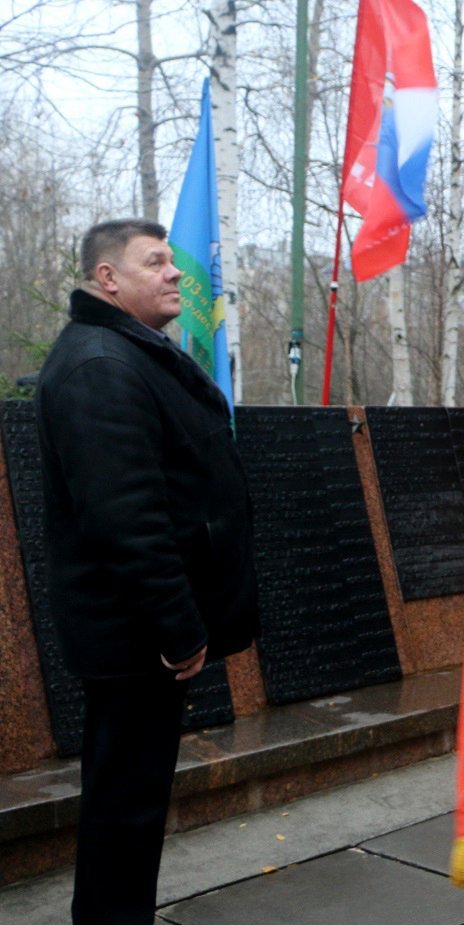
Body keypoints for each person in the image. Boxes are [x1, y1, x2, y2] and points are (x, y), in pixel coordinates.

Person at [34, 218, 260, 925]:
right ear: (108, 279)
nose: (175, 273)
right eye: (155, 261)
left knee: (131, 802)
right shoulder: (100, 365)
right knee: (124, 807)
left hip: (144, 636)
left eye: (172, 260)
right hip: (137, 639)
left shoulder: (126, 352)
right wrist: (180, 628)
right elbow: (125, 516)